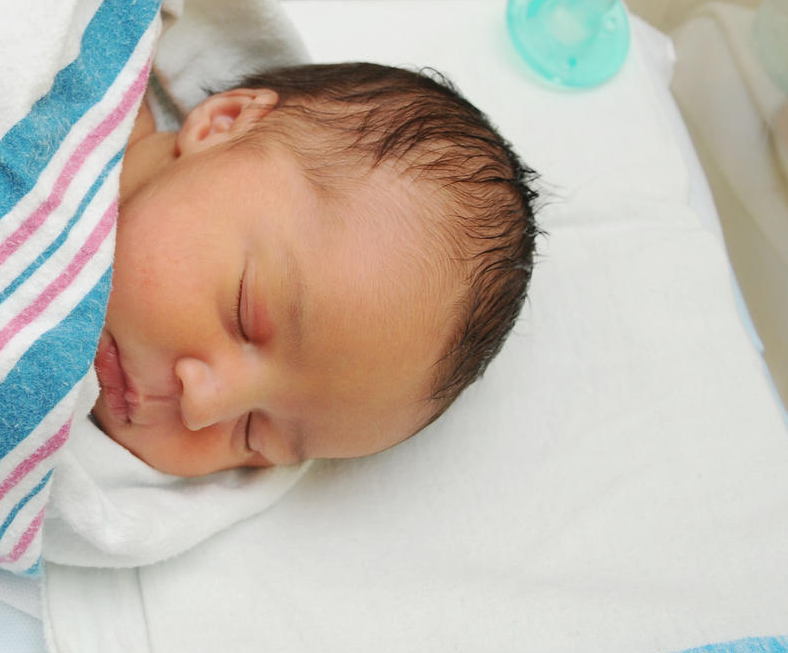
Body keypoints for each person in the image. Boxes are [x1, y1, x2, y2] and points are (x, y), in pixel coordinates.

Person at [90, 61, 538, 476]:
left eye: (251, 434)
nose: (201, 405)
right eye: (242, 315)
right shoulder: (77, 77)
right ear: (221, 125)